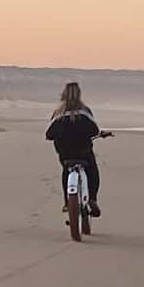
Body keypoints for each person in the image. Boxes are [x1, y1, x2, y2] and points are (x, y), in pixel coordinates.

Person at [45, 81, 110, 217]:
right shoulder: (85, 111)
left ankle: (67, 202)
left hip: (65, 154)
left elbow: (49, 134)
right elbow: (94, 131)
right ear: (79, 94)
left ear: (63, 94)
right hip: (84, 152)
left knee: (66, 171)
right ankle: (92, 198)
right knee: (92, 171)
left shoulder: (58, 113)